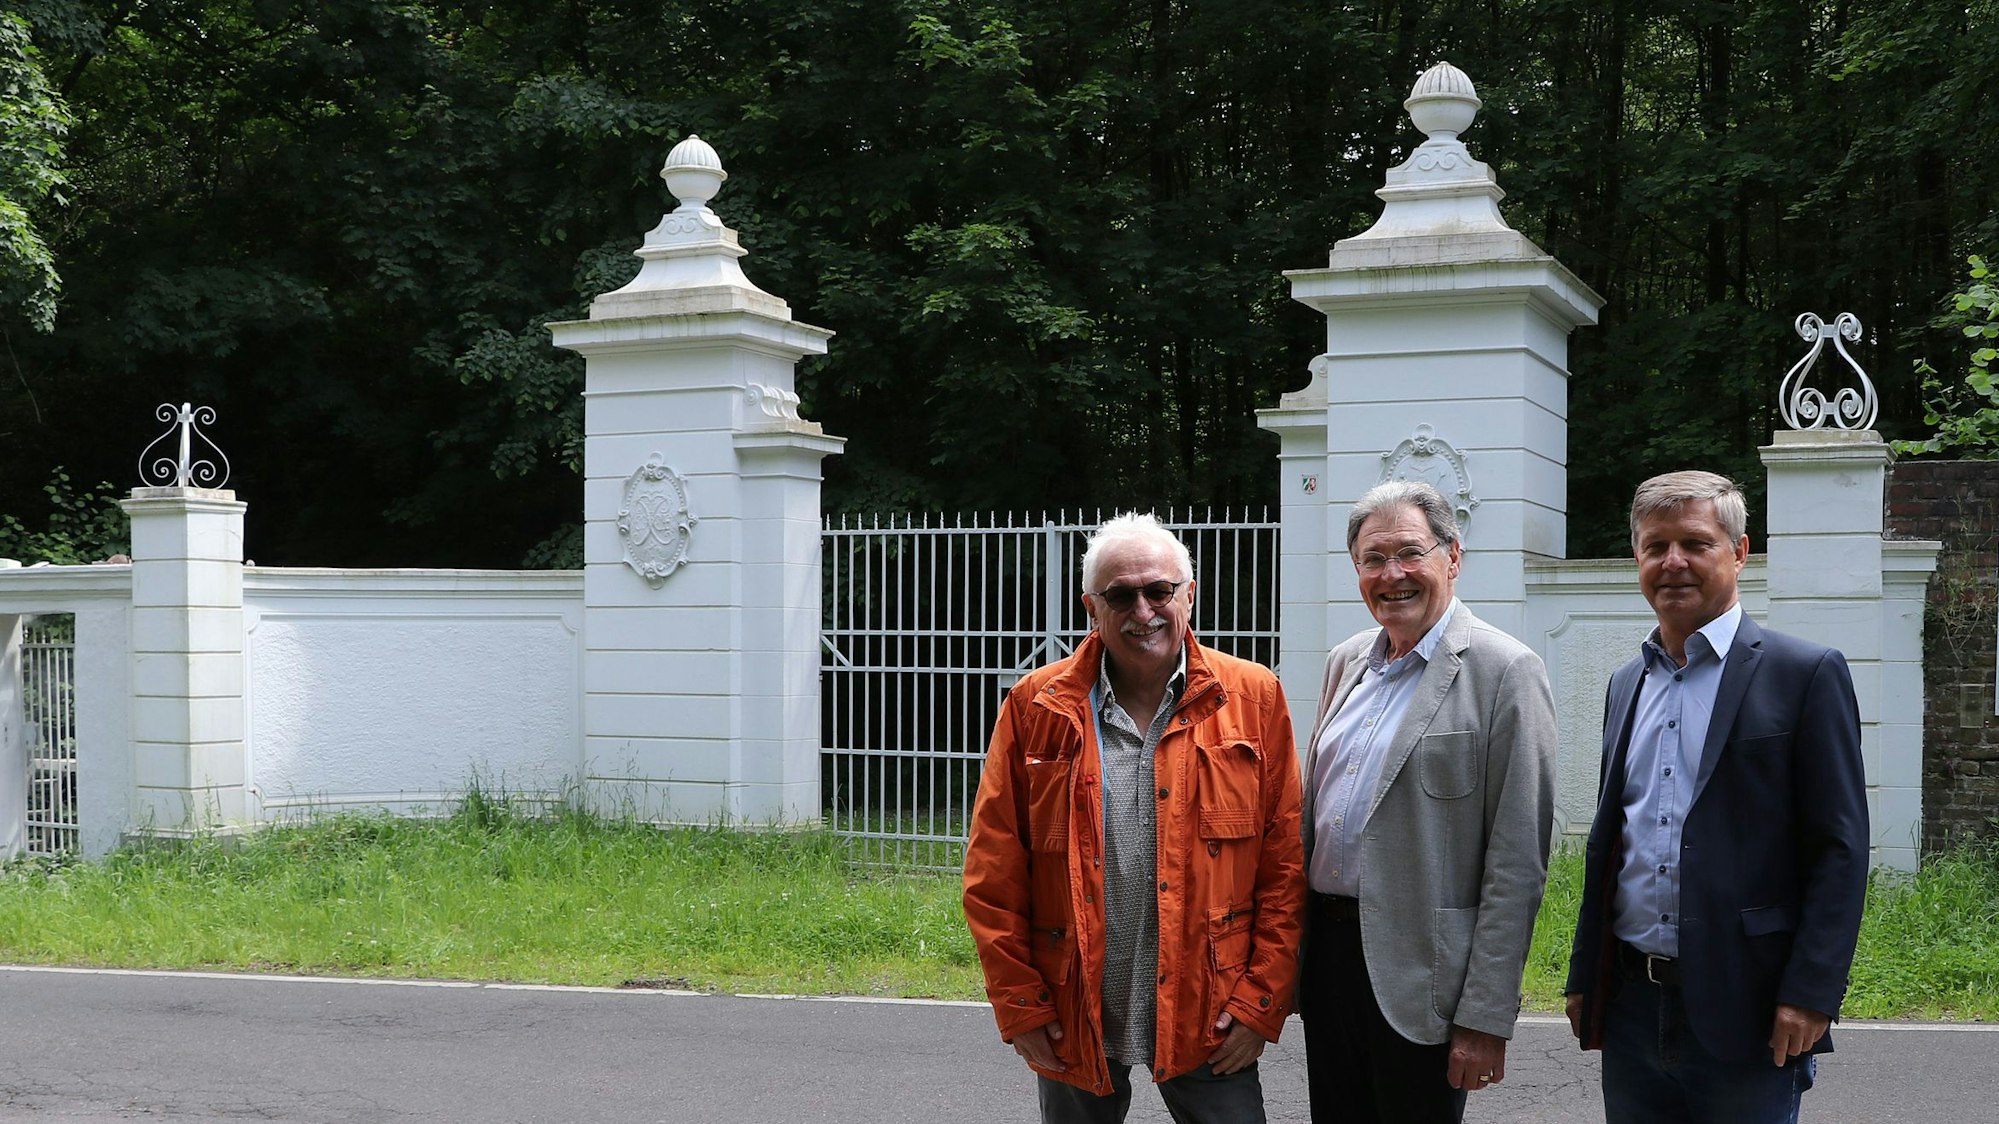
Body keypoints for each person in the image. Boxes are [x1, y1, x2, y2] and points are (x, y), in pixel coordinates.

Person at [963, 512, 1305, 1124]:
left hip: (1212, 1006)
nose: (1142, 610)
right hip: (1072, 1008)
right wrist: (1021, 1006)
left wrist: (1260, 1004)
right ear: (1092, 606)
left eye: (1159, 591)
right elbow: (994, 871)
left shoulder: (1254, 698)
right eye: (1120, 595)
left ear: (1189, 595)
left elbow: (1285, 868)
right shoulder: (1035, 708)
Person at [1565, 470, 1869, 1123]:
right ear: (1636, 559)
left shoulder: (1803, 673)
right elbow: (1612, 839)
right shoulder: (1627, 684)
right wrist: (1583, 975)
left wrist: (1811, 991)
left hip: (1751, 1006)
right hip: (1630, 1010)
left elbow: (1839, 849)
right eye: (1654, 546)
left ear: (1738, 552)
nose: (1672, 562)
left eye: (1695, 543)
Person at [1300, 479, 1557, 1123]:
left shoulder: (1506, 671)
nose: (1393, 574)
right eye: (1373, 559)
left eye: (1409, 552)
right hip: (1329, 960)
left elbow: (1517, 861)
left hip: (1426, 974)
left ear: (1453, 557)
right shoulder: (1345, 662)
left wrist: (1486, 1015)